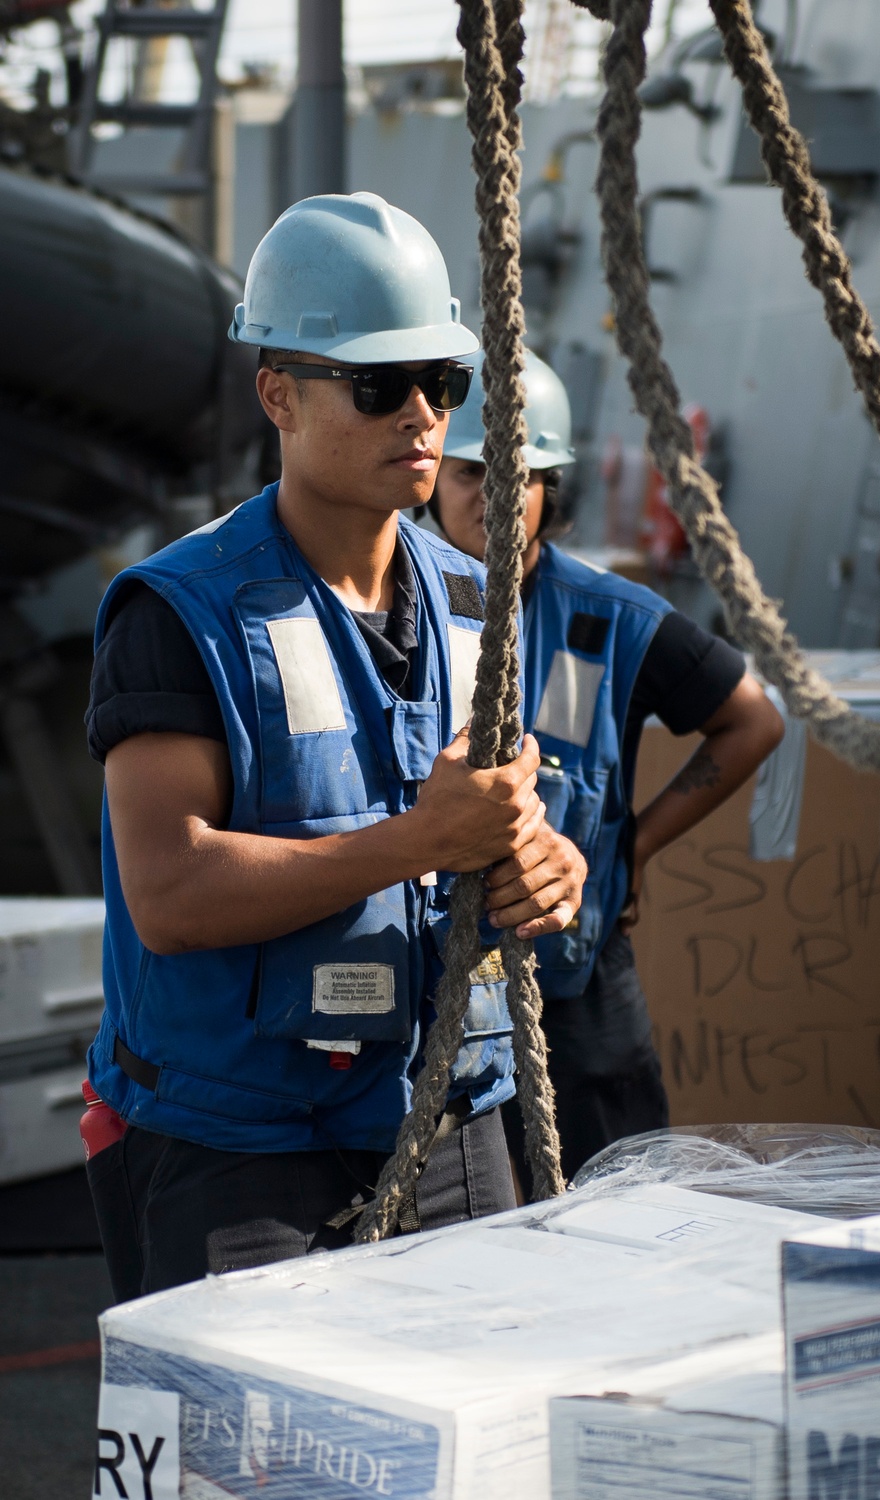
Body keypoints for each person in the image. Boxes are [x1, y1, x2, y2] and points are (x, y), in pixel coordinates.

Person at [83, 194, 586, 1302]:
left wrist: (545, 861)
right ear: (279, 394)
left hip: (455, 1119)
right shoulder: (181, 615)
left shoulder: (472, 598)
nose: (420, 414)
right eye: (378, 384)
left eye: (441, 384)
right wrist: (420, 840)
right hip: (245, 1158)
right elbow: (168, 892)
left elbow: (503, 805)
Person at [430, 349, 785, 1187]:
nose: (493, 494)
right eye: (471, 470)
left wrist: (633, 852)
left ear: (553, 490)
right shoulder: (389, 608)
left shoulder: (612, 619)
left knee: (618, 1191)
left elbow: (753, 722)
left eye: (520, 473)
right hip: (434, 981)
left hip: (575, 978)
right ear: (433, 479)